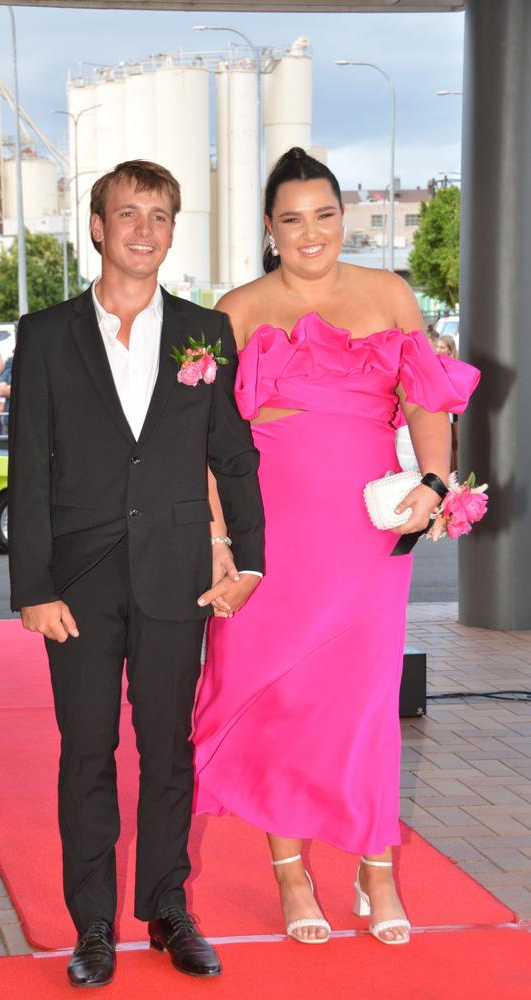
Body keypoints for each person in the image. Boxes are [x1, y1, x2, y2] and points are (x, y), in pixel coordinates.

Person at [192, 148, 480, 947]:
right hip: (267, 533)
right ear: (269, 227)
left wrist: (432, 477)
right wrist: (221, 540)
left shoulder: (388, 295)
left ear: (342, 218)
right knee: (273, 697)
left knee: (360, 703)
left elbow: (427, 399)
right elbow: (210, 442)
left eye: (325, 215)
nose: (311, 233)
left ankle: (373, 866)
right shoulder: (237, 309)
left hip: (360, 534)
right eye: (293, 219)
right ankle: (290, 872)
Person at [8, 159, 265, 988]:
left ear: (172, 229)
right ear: (97, 227)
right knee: (86, 754)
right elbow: (31, 470)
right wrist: (33, 589)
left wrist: (249, 557)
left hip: (176, 574)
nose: (145, 230)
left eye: (159, 215)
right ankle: (90, 927)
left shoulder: (203, 332)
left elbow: (232, 453)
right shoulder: (45, 335)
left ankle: (165, 907)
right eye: (128, 214)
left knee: (167, 752)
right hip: (77, 586)